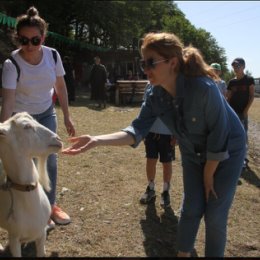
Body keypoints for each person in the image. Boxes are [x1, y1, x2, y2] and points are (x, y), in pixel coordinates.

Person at [62, 32, 246, 257]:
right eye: (143, 63)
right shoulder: (154, 94)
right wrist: (96, 140)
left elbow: (220, 133)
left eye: (151, 62)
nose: (145, 69)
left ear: (173, 63)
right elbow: (137, 129)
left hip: (227, 151)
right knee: (191, 209)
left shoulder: (203, 88)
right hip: (192, 152)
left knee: (215, 215)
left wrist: (208, 174)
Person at [0, 6, 76, 230]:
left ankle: (49, 206)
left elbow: (60, 86)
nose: (30, 46)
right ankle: (29, 208)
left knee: (51, 158)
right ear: (17, 38)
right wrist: (4, 129)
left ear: (43, 37)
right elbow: (9, 101)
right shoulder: (11, 64)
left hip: (45, 113)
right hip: (21, 120)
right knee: (26, 164)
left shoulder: (52, 55)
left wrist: (67, 117)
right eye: (24, 40)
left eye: (36, 40)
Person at [140, 111, 175, 208]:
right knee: (150, 160)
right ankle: (151, 188)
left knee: (167, 163)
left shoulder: (173, 95)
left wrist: (176, 134)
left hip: (168, 133)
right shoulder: (149, 94)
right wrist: (142, 131)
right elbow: (144, 111)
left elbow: (177, 112)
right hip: (150, 132)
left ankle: (165, 191)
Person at [227, 58, 255, 169]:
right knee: (232, 134)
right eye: (234, 66)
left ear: (243, 67)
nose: (235, 68)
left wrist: (245, 110)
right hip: (232, 113)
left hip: (242, 112)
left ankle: (243, 158)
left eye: (237, 66)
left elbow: (252, 96)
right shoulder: (232, 82)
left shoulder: (249, 80)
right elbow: (228, 98)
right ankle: (234, 155)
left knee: (243, 135)